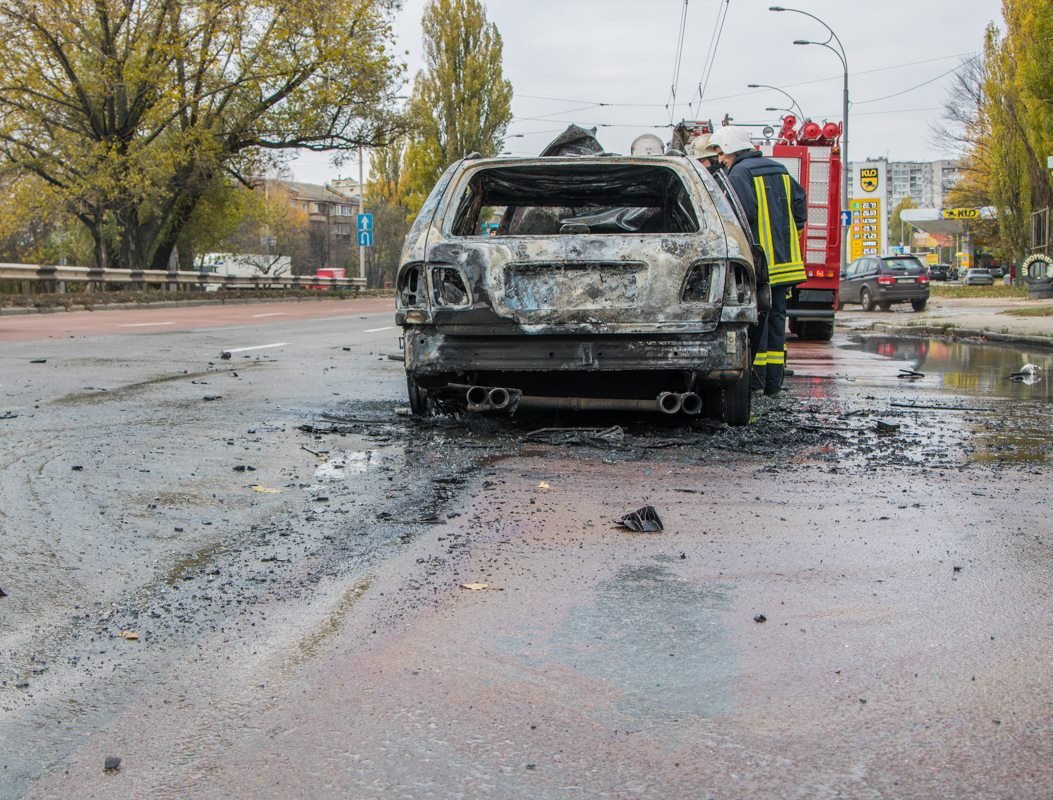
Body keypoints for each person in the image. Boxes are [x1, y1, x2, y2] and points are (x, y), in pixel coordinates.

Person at [708, 125, 807, 396]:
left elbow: (741, 215)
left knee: (758, 321)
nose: (719, 159)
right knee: (777, 321)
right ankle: (774, 383)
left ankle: (757, 380)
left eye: (720, 152)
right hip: (786, 262)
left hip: (760, 264)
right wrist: (789, 240)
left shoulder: (739, 173)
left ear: (730, 149)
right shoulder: (780, 169)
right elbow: (800, 209)